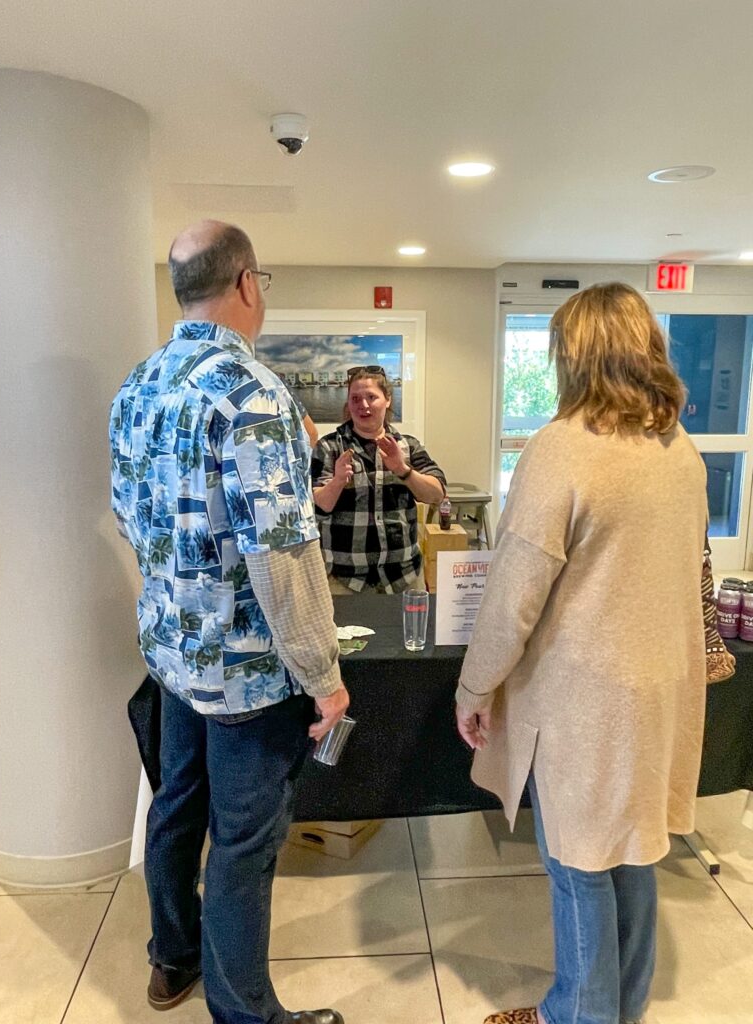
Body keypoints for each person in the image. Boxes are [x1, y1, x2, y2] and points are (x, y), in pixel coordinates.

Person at [109, 219, 349, 1024]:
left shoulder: (138, 385)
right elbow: (283, 555)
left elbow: (128, 517)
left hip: (173, 654)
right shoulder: (254, 392)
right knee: (244, 841)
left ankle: (172, 959)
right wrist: (324, 677)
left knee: (176, 805)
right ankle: (246, 1013)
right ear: (246, 282)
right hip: (247, 671)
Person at [455, 283, 707, 1024]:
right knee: (633, 849)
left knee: (576, 862)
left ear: (575, 355)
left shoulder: (562, 448)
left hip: (584, 698)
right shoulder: (680, 449)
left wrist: (474, 688)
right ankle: (619, 1007)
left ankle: (576, 1015)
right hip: (661, 684)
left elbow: (514, 594)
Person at [311, 366, 446, 593]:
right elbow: (319, 507)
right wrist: (338, 481)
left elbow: (436, 495)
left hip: (404, 577)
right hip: (344, 580)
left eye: (371, 397)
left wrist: (403, 470)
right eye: (355, 398)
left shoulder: (409, 446)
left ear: (387, 400)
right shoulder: (328, 447)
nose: (363, 405)